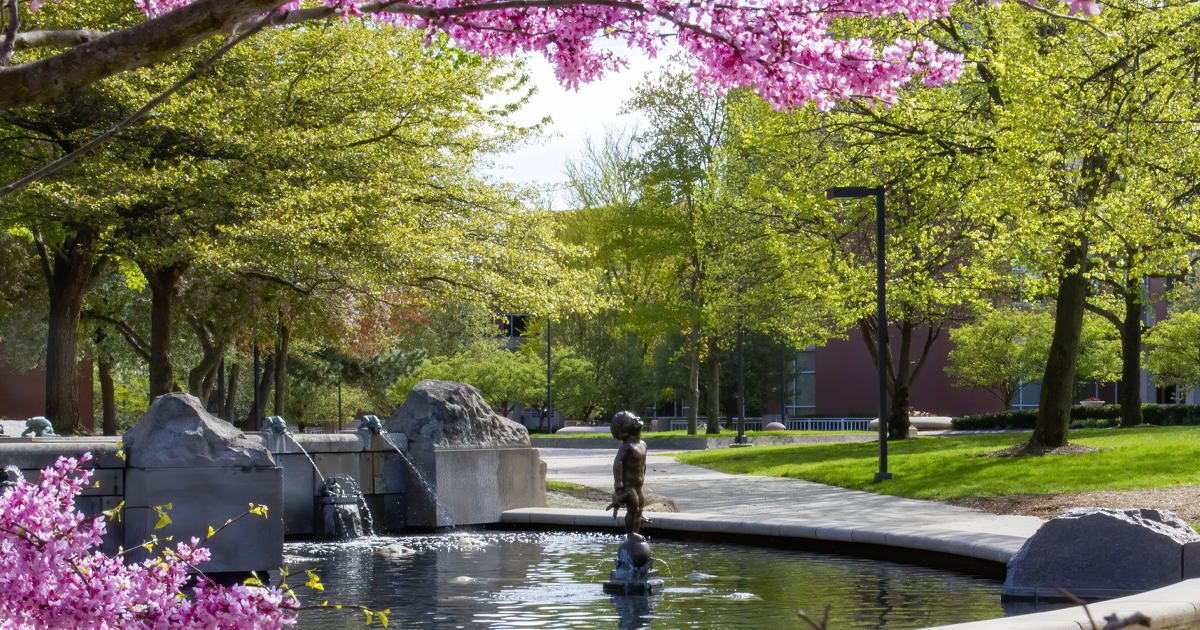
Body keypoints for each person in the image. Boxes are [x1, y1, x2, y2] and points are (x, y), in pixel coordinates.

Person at [606, 411, 650, 537]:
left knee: (640, 508)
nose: (636, 418)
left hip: (639, 486)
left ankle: (636, 532)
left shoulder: (643, 445)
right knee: (633, 509)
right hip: (628, 486)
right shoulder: (627, 447)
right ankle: (630, 534)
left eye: (635, 417)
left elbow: (643, 464)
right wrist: (618, 485)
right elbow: (617, 463)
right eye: (630, 420)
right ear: (624, 431)